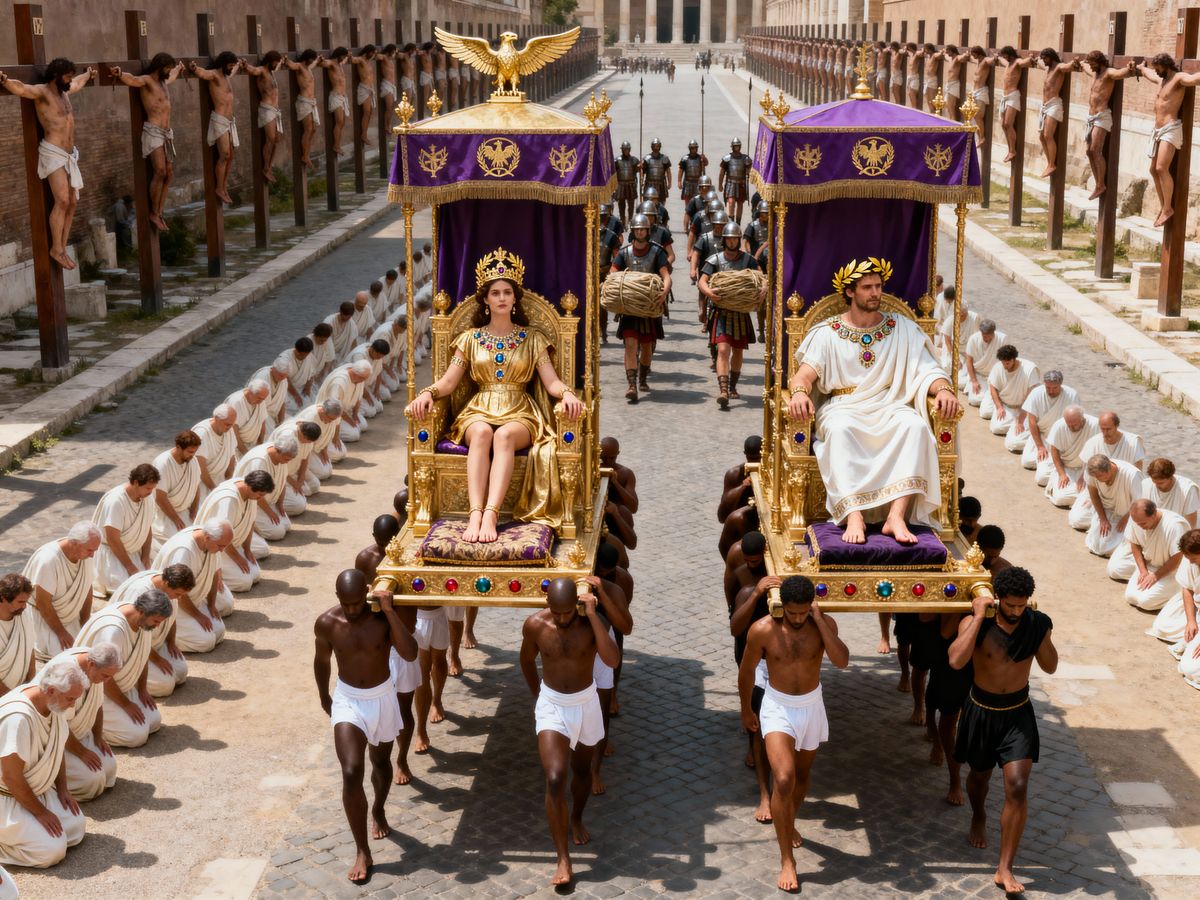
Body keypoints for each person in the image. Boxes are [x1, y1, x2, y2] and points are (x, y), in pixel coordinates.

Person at [406, 249, 584, 541]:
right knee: (482, 433)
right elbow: (449, 382)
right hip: (479, 408)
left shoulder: (533, 339)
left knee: (503, 436)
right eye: (495, 293)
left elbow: (551, 382)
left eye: (507, 292)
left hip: (520, 411)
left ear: (515, 299)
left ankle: (491, 513)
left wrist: (567, 394)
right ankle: (475, 513)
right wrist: (427, 393)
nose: (502, 298)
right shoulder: (469, 339)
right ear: (486, 300)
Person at [787, 258, 960, 544]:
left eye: (878, 286)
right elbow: (803, 376)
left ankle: (896, 516)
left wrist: (943, 389)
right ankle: (853, 513)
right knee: (840, 430)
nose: (875, 292)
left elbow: (928, 369)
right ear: (850, 292)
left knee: (915, 427)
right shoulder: (827, 333)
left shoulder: (902, 329)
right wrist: (799, 393)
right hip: (844, 406)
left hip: (890, 404)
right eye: (867, 287)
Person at [949, 567, 1057, 895]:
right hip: (981, 711)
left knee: (1018, 786)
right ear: (998, 599)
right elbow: (956, 661)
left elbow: (1051, 666)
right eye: (1010, 605)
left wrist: (1042, 633)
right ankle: (978, 815)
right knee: (979, 777)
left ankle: (1005, 868)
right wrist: (977, 616)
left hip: (1017, 713)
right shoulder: (976, 624)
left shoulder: (1036, 623)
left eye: (1022, 606)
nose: (1016, 612)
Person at [739, 575, 849, 892]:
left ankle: (789, 821)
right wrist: (746, 709)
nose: (798, 618)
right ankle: (787, 859)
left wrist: (820, 620)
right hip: (777, 706)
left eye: (804, 612)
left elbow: (841, 661)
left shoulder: (822, 624)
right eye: (792, 612)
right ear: (781, 605)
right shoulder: (762, 630)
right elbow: (746, 672)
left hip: (811, 706)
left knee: (801, 777)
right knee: (784, 778)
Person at [314, 570, 417, 885]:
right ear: (337, 597)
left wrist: (389, 610)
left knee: (380, 763)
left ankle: (379, 809)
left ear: (367, 593)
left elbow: (410, 653)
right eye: (345, 604)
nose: (351, 609)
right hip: (348, 700)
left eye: (357, 603)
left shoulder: (382, 619)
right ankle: (362, 850)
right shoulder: (327, 622)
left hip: (382, 697)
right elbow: (322, 660)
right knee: (351, 771)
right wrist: (324, 696)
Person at [519, 578, 620, 886]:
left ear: (576, 604)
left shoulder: (592, 623)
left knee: (582, 771)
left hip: (586, 703)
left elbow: (612, 659)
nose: (563, 618)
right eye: (557, 612)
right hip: (552, 705)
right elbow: (526, 660)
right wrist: (538, 695)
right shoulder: (535, 625)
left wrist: (592, 615)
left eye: (568, 612)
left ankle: (576, 816)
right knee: (554, 778)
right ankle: (563, 858)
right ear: (548, 605)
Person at [0, 59, 95, 269]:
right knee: (62, 200)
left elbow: (79, 83)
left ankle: (61, 247)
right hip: (53, 152)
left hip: (70, 154)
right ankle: (56, 249)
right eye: (67, 76)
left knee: (73, 202)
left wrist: (88, 74)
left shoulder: (65, 92)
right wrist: (5, 81)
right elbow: (21, 88)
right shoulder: (42, 92)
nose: (70, 80)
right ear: (56, 75)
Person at [0, 655, 88, 867]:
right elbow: (11, 777)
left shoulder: (53, 704)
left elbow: (56, 748)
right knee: (52, 851)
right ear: (51, 690)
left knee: (75, 827)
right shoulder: (18, 718)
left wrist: (63, 789)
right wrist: (40, 812)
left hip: (36, 789)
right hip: (6, 797)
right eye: (70, 699)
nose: (72, 705)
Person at [72, 588, 171, 748]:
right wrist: (126, 704)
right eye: (156, 621)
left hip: (120, 687)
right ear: (142, 611)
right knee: (137, 735)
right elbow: (101, 674)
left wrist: (142, 690)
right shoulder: (113, 630)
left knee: (153, 720)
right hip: (97, 689)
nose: (157, 626)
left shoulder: (141, 622)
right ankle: (89, 727)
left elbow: (141, 656)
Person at [111, 53, 183, 231]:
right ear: (160, 67)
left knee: (169, 174)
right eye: (167, 68)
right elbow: (133, 80)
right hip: (153, 132)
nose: (169, 71)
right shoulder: (147, 81)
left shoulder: (164, 81)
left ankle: (159, 211)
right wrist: (120, 74)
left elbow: (173, 75)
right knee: (160, 171)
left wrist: (179, 68)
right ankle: (153, 212)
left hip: (167, 133)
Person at [699, 223, 765, 408]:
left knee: (737, 351)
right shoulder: (715, 260)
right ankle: (723, 390)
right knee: (722, 350)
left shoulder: (748, 260)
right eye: (729, 239)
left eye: (735, 239)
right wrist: (709, 292)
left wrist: (764, 288)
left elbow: (761, 277)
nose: (732, 242)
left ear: (738, 240)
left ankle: (733, 386)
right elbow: (702, 281)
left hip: (740, 312)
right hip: (721, 313)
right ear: (724, 240)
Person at [47, 643, 121, 802]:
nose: (107, 682)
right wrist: (82, 752)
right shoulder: (66, 675)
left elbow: (97, 704)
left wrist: (98, 738)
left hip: (78, 734)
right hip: (55, 740)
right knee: (92, 781)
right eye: (105, 676)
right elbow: (58, 725)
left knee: (109, 767)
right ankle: (47, 781)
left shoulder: (93, 667)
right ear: (92, 664)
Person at [106, 566, 193, 699]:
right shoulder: (140, 591)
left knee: (181, 671)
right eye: (177, 594)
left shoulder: (169, 593)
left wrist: (171, 643)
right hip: (134, 651)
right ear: (166, 583)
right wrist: (157, 660)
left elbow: (172, 618)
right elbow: (137, 635)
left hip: (153, 646)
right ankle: (129, 683)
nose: (179, 598)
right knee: (166, 685)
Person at [612, 216, 672, 403]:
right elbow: (613, 273)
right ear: (633, 231)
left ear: (648, 231)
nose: (639, 232)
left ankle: (643, 377)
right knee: (630, 344)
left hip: (649, 306)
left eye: (642, 229)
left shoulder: (657, 252)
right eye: (637, 229)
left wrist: (664, 292)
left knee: (647, 346)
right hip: (630, 307)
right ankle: (632, 385)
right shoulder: (625, 253)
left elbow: (665, 276)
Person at [21, 523, 98, 664]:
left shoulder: (84, 556)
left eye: (94, 550)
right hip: (44, 618)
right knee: (65, 656)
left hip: (71, 617)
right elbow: (43, 603)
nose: (92, 555)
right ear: (74, 543)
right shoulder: (48, 560)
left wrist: (85, 622)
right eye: (90, 550)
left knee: (93, 645)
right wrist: (61, 632)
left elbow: (86, 588)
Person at [1137, 53, 1200, 225]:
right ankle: (1164, 206)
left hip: (1170, 129)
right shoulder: (1161, 80)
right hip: (1157, 130)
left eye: (1158, 68)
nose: (1156, 71)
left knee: (1161, 168)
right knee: (1153, 170)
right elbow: (1149, 74)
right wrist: (1141, 68)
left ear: (1166, 65)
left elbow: (1194, 79)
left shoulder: (1178, 78)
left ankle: (1167, 208)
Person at [152, 521, 232, 652]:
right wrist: (198, 615)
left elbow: (213, 573)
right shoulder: (184, 551)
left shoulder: (211, 543)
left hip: (193, 600)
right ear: (207, 538)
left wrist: (211, 605)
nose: (222, 550)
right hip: (173, 603)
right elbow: (176, 591)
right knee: (206, 642)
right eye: (220, 546)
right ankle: (162, 638)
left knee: (219, 630)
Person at [193, 471, 273, 593]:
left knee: (255, 574)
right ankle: (211, 575)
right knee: (244, 582)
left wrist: (247, 550)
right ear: (250, 486)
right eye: (260, 495)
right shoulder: (228, 500)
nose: (260, 498)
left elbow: (249, 522)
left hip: (231, 543)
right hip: (216, 546)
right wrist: (238, 558)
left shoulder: (250, 494)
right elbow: (222, 535)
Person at [91, 463, 160, 597]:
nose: (150, 492)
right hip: (113, 554)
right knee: (131, 589)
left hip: (136, 550)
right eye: (148, 488)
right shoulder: (115, 501)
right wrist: (129, 566)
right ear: (136, 482)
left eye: (152, 488)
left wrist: (145, 555)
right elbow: (112, 539)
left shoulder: (148, 498)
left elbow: (146, 526)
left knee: (158, 577)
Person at [1107, 499, 1189, 612]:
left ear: (1154, 514)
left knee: (1145, 602)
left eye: (1143, 523)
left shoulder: (1175, 525)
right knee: (1130, 597)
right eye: (1138, 524)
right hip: (1149, 566)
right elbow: (1134, 543)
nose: (1140, 527)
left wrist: (1156, 576)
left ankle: (1180, 591)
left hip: (1173, 571)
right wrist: (1143, 570)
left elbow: (1178, 557)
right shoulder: (1136, 520)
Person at [1080, 52, 1137, 199]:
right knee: (1089, 152)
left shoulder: (1108, 73)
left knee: (1095, 149)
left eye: (1093, 64)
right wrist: (1079, 63)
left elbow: (1121, 73)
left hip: (1102, 116)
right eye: (1090, 64)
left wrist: (1129, 67)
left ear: (1099, 62)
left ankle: (1101, 184)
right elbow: (1084, 66)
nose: (1091, 67)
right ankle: (1098, 184)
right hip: (1091, 117)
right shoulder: (1094, 74)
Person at [188, 52, 242, 206]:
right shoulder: (214, 75)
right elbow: (202, 73)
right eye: (230, 65)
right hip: (220, 119)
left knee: (231, 156)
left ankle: (224, 186)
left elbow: (235, 68)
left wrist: (240, 64)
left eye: (232, 65)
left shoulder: (227, 75)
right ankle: (219, 187)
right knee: (224, 154)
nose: (232, 68)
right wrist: (194, 68)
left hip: (230, 121)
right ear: (223, 64)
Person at [1072, 455, 1145, 558]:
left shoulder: (1133, 475)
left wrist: (1126, 519)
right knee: (1097, 544)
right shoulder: (1093, 474)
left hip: (1130, 514)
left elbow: (1140, 502)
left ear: (1109, 469)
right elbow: (1093, 494)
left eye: (1100, 477)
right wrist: (1102, 519)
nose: (1097, 480)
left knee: (1112, 548)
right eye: (1096, 477)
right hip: (1107, 509)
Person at [1013, 370, 1080, 473]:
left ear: (1060, 384)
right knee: (1027, 461)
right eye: (1048, 388)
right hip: (1041, 435)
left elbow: (1076, 421)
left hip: (1061, 438)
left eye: (1055, 388)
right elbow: (1032, 421)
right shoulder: (1036, 393)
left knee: (1046, 472)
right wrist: (1040, 446)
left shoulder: (1072, 395)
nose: (1051, 391)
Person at [151, 430, 203, 549]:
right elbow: (160, 497)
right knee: (180, 544)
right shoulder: (162, 463)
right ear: (179, 447)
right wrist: (176, 519)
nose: (193, 455)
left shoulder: (193, 460)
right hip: (165, 516)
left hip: (186, 512)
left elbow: (196, 485)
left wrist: (194, 509)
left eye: (195, 452)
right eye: (190, 452)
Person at [240, 51, 285, 182]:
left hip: (275, 110)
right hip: (267, 109)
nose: (276, 65)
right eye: (275, 62)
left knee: (276, 140)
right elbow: (253, 70)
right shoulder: (262, 71)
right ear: (270, 61)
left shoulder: (272, 72)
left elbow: (279, 65)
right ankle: (265, 168)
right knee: (270, 139)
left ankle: (269, 167)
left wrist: (283, 61)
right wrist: (245, 65)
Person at [1035, 49, 1079, 178]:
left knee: (1048, 135)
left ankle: (1051, 164)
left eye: (1045, 58)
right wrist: (1035, 59)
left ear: (1051, 57)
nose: (1044, 60)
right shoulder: (1047, 68)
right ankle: (1049, 163)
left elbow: (1068, 67)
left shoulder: (1059, 67)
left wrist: (1074, 63)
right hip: (1044, 106)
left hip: (1054, 104)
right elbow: (1039, 63)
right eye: (1042, 58)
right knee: (1041, 137)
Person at [1043, 406, 1098, 502]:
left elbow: (1098, 452)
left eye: (1074, 425)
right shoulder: (1059, 425)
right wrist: (1062, 474)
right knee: (1060, 498)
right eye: (1069, 425)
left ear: (1082, 419)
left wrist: (1085, 475)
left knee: (1091, 493)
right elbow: (1054, 450)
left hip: (1088, 468)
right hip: (1066, 467)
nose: (1071, 428)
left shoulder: (1095, 425)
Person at [985, 345, 1040, 433]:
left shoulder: (1029, 369)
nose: (1005, 366)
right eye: (1003, 363)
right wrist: (999, 407)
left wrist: (1021, 419)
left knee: (1020, 435)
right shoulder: (998, 367)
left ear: (1014, 359)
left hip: (1024, 408)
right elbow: (993, 387)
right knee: (997, 428)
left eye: (1007, 363)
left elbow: (1031, 396)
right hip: (1006, 406)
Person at [998, 48, 1037, 163]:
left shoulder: (1017, 62)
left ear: (1010, 55)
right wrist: (997, 57)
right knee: (1003, 124)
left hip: (1013, 96)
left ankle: (1012, 151)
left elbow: (1024, 62)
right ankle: (1009, 149)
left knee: (1008, 123)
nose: (1005, 58)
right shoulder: (1008, 64)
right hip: (1004, 97)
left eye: (1005, 56)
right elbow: (1001, 60)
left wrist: (1030, 58)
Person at [284, 50, 322, 170]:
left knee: (313, 129)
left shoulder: (309, 68)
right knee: (308, 129)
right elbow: (291, 65)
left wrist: (318, 60)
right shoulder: (300, 66)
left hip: (311, 103)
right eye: (311, 58)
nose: (312, 61)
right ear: (307, 57)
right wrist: (286, 60)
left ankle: (307, 154)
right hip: (304, 102)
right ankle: (305, 156)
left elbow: (314, 63)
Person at [192, 403, 239, 499]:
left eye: (232, 424)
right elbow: (200, 469)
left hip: (220, 482)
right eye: (227, 424)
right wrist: (215, 490)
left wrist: (227, 483)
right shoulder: (202, 433)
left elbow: (231, 457)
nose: (230, 427)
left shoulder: (229, 430)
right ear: (217, 419)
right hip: (200, 484)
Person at [1173, 530, 1200, 686]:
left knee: (1191, 670)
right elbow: (1187, 588)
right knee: (1163, 626)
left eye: (1194, 559)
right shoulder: (1189, 558)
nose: (1190, 563)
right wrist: (1191, 621)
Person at [0, 576, 34, 696]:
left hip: (21, 693)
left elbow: (30, 650)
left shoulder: (24, 616)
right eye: (20, 602)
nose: (25, 606)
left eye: (26, 601)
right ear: (4, 598)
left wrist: (31, 685)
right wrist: (12, 698)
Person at [1144, 457, 1200, 526]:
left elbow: (1190, 524)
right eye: (1154, 482)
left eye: (1161, 483)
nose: (1156, 486)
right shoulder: (1145, 484)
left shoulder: (1188, 489)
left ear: (1171, 477)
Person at [319, 48, 352, 158]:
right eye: (343, 56)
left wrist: (348, 55)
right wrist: (321, 60)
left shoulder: (340, 64)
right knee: (339, 121)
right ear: (339, 55)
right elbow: (324, 63)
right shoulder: (332, 64)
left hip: (343, 97)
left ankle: (338, 144)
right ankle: (336, 146)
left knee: (342, 122)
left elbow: (346, 59)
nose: (344, 58)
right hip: (336, 96)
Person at [225, 380, 271, 456]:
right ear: (250, 392)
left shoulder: (260, 400)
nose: (261, 402)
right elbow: (233, 432)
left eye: (263, 399)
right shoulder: (235, 403)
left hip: (253, 444)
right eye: (259, 398)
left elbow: (262, 422)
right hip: (234, 446)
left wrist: (259, 444)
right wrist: (246, 453)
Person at [350, 45, 378, 147]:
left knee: (370, 112)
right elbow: (353, 60)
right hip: (364, 89)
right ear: (368, 52)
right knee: (366, 112)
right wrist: (349, 55)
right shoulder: (361, 60)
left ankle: (364, 133)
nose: (373, 54)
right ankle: (364, 135)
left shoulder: (369, 61)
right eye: (372, 52)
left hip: (370, 89)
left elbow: (376, 56)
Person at [719, 138, 751, 223]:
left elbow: (750, 170)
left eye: (738, 146)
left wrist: (748, 171)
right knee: (731, 202)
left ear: (740, 146)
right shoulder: (727, 158)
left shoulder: (745, 158)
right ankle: (731, 221)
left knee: (740, 203)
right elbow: (722, 172)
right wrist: (720, 184)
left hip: (741, 183)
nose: (736, 148)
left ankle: (738, 222)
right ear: (732, 147)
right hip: (731, 183)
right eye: (735, 146)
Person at [967, 47, 997, 136]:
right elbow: (970, 58)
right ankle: (977, 135)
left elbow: (991, 60)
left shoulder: (985, 60)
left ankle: (982, 137)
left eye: (973, 54)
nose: (972, 56)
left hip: (981, 91)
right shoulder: (978, 62)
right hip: (974, 91)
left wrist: (994, 57)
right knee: (973, 115)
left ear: (978, 53)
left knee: (978, 115)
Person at [614, 141, 640, 226]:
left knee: (631, 204)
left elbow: (638, 170)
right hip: (621, 184)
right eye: (624, 149)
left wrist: (639, 167)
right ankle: (622, 220)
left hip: (630, 184)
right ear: (622, 149)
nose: (626, 151)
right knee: (621, 204)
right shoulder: (617, 160)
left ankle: (630, 220)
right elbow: (613, 173)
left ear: (629, 149)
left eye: (627, 149)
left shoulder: (634, 160)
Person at [678, 139, 708, 204]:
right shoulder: (685, 159)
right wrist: (679, 181)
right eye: (692, 148)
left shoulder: (700, 158)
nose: (693, 149)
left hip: (697, 182)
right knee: (687, 201)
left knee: (698, 200)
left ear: (696, 148)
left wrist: (704, 158)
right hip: (688, 182)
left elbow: (706, 163)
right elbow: (681, 170)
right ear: (690, 148)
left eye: (695, 148)